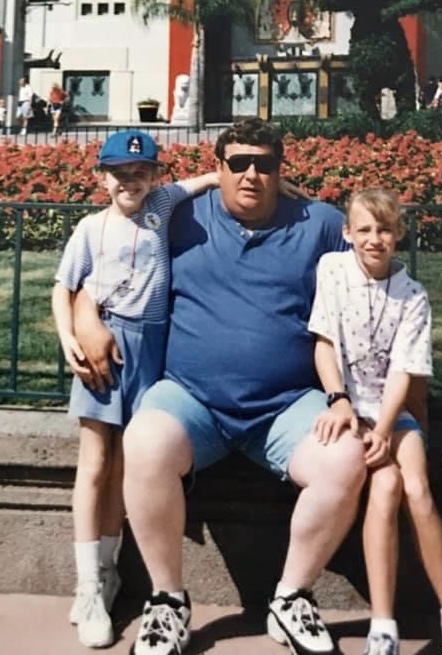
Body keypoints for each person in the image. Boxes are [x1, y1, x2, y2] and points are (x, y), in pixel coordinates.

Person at [72, 117, 369, 655]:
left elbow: (376, 288)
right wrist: (86, 318)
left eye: (265, 165)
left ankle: (292, 596)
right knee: (144, 441)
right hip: (192, 399)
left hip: (286, 404)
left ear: (280, 170)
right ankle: (167, 600)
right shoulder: (178, 216)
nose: (251, 175)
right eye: (239, 163)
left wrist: (382, 405)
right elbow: (108, 259)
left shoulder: (321, 224)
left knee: (344, 457)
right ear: (218, 168)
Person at [308, 188, 442, 655]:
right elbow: (325, 343)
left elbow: (402, 372)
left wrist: (384, 429)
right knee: (385, 487)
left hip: (394, 413)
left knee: (415, 486)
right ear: (347, 233)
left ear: (399, 234)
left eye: (385, 230)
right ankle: (383, 626)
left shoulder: (413, 295)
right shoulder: (333, 270)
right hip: (349, 409)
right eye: (365, 229)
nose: (375, 239)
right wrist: (340, 402)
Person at [52, 129, 219, 649]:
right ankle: (87, 586)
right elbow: (63, 286)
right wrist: (69, 338)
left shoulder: (161, 205)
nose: (131, 182)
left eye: (141, 172)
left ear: (155, 176)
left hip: (153, 343)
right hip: (106, 340)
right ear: (102, 177)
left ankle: (109, 569)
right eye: (120, 174)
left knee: (129, 462)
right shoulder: (90, 228)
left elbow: (209, 179)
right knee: (96, 460)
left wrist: (281, 186)